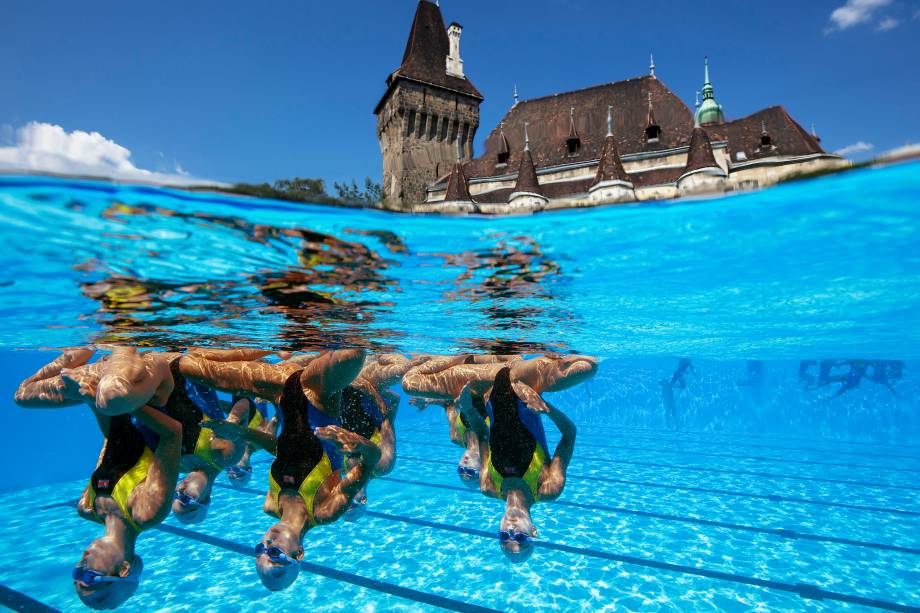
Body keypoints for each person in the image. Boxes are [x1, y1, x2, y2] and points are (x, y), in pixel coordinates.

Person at [177, 348, 378, 591]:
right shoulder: (326, 511)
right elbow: (372, 460)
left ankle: (292, 353)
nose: (268, 542)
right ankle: (309, 351)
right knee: (352, 355)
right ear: (299, 553)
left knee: (188, 366)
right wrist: (359, 443)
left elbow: (279, 447)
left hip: (279, 393)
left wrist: (241, 433)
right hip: (318, 395)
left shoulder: (270, 504)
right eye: (276, 554)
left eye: (260, 549)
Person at [404, 354, 596, 563]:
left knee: (410, 383)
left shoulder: (488, 487)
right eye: (519, 537)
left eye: (504, 537)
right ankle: (511, 356)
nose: (511, 529)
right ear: (533, 531)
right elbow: (569, 434)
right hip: (521, 384)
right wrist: (544, 407)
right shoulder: (548, 488)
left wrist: (467, 408)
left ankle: (485, 354)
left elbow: (483, 435)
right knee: (587, 367)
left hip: (488, 388)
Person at [338, 354, 412, 520]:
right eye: (351, 503)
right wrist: (371, 390)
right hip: (369, 392)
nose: (345, 497)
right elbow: (387, 420)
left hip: (342, 388)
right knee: (401, 370)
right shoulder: (382, 466)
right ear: (363, 499)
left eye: (341, 503)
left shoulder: (338, 466)